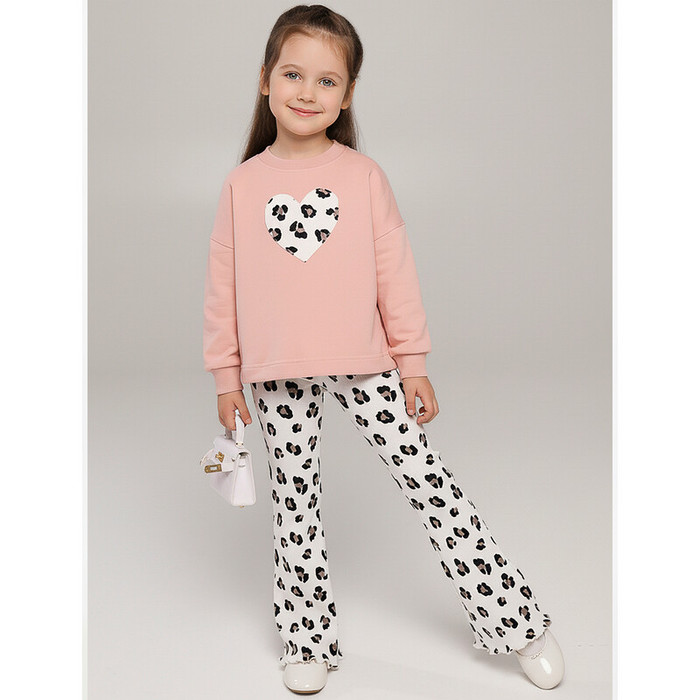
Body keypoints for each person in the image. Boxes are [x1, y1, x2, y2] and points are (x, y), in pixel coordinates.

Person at [202, 4, 565, 695]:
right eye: (293, 74)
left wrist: (413, 362)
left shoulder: (364, 177)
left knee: (430, 485)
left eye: (327, 81)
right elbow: (223, 290)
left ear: (347, 95)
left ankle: (518, 623)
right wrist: (226, 377)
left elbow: (396, 275)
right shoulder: (241, 185)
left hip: (367, 363)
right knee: (295, 507)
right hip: (276, 375)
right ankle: (306, 636)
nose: (307, 92)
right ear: (265, 79)